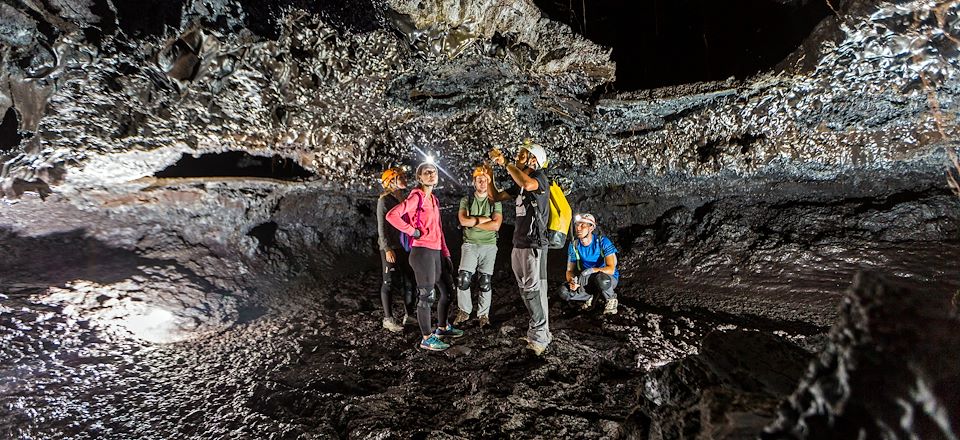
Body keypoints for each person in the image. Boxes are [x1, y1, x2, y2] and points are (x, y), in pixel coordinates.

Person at [386, 161, 465, 351]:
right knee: (427, 296)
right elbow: (392, 215)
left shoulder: (434, 200)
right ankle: (426, 338)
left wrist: (445, 253)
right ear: (419, 177)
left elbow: (438, 229)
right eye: (427, 172)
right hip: (422, 252)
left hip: (436, 251)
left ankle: (442, 327)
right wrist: (412, 231)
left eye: (434, 171)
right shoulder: (417, 197)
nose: (432, 174)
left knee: (447, 290)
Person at [486, 140, 552, 356]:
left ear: (534, 160)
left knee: (535, 291)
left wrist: (504, 162)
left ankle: (541, 337)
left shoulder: (540, 179)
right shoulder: (520, 186)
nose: (517, 157)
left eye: (522, 155)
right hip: (520, 242)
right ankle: (537, 332)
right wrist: (489, 176)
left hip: (535, 243)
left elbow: (526, 182)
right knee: (526, 290)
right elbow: (495, 196)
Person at [453, 165, 503, 329]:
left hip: (489, 246)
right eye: (479, 180)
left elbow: (496, 226)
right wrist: (484, 219)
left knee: (485, 281)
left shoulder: (495, 201)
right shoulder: (466, 200)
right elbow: (462, 221)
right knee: (463, 279)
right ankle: (464, 311)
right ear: (474, 182)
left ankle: (483, 314)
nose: (482, 183)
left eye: (485, 180)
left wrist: (473, 221)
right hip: (470, 245)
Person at [376, 167, 418, 332]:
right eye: (400, 176)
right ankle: (388, 318)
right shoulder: (384, 200)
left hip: (405, 247)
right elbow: (382, 228)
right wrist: (386, 248)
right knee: (389, 281)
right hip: (391, 247)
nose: (404, 178)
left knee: (410, 280)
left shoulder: (405, 200)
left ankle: (410, 315)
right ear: (391, 181)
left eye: (403, 176)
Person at [558, 213, 620, 314]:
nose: (578, 228)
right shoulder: (574, 245)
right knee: (563, 291)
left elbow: (611, 269)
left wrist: (591, 270)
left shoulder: (602, 242)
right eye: (577, 225)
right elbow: (569, 270)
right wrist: (572, 281)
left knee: (601, 280)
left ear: (591, 228)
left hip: (606, 277)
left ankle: (611, 298)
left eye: (583, 225)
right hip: (586, 279)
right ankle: (591, 296)